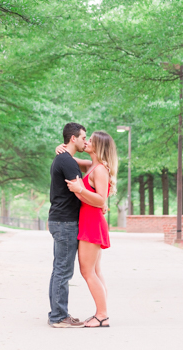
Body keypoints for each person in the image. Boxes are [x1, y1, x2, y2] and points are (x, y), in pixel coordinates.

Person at [57, 130, 118, 328]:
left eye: (91, 140)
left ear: (99, 146)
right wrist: (59, 147)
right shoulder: (92, 165)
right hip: (89, 221)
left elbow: (101, 199)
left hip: (92, 223)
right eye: (87, 138)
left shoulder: (99, 169)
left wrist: (80, 190)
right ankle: (102, 312)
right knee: (96, 271)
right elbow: (69, 157)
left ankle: (102, 316)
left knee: (87, 272)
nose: (87, 142)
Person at [47, 122, 88, 328]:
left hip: (59, 219)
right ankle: (58, 317)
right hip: (65, 222)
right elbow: (80, 192)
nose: (85, 142)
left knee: (59, 270)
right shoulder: (67, 161)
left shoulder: (63, 158)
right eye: (83, 138)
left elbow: (87, 164)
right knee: (63, 270)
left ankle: (57, 313)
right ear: (73, 138)